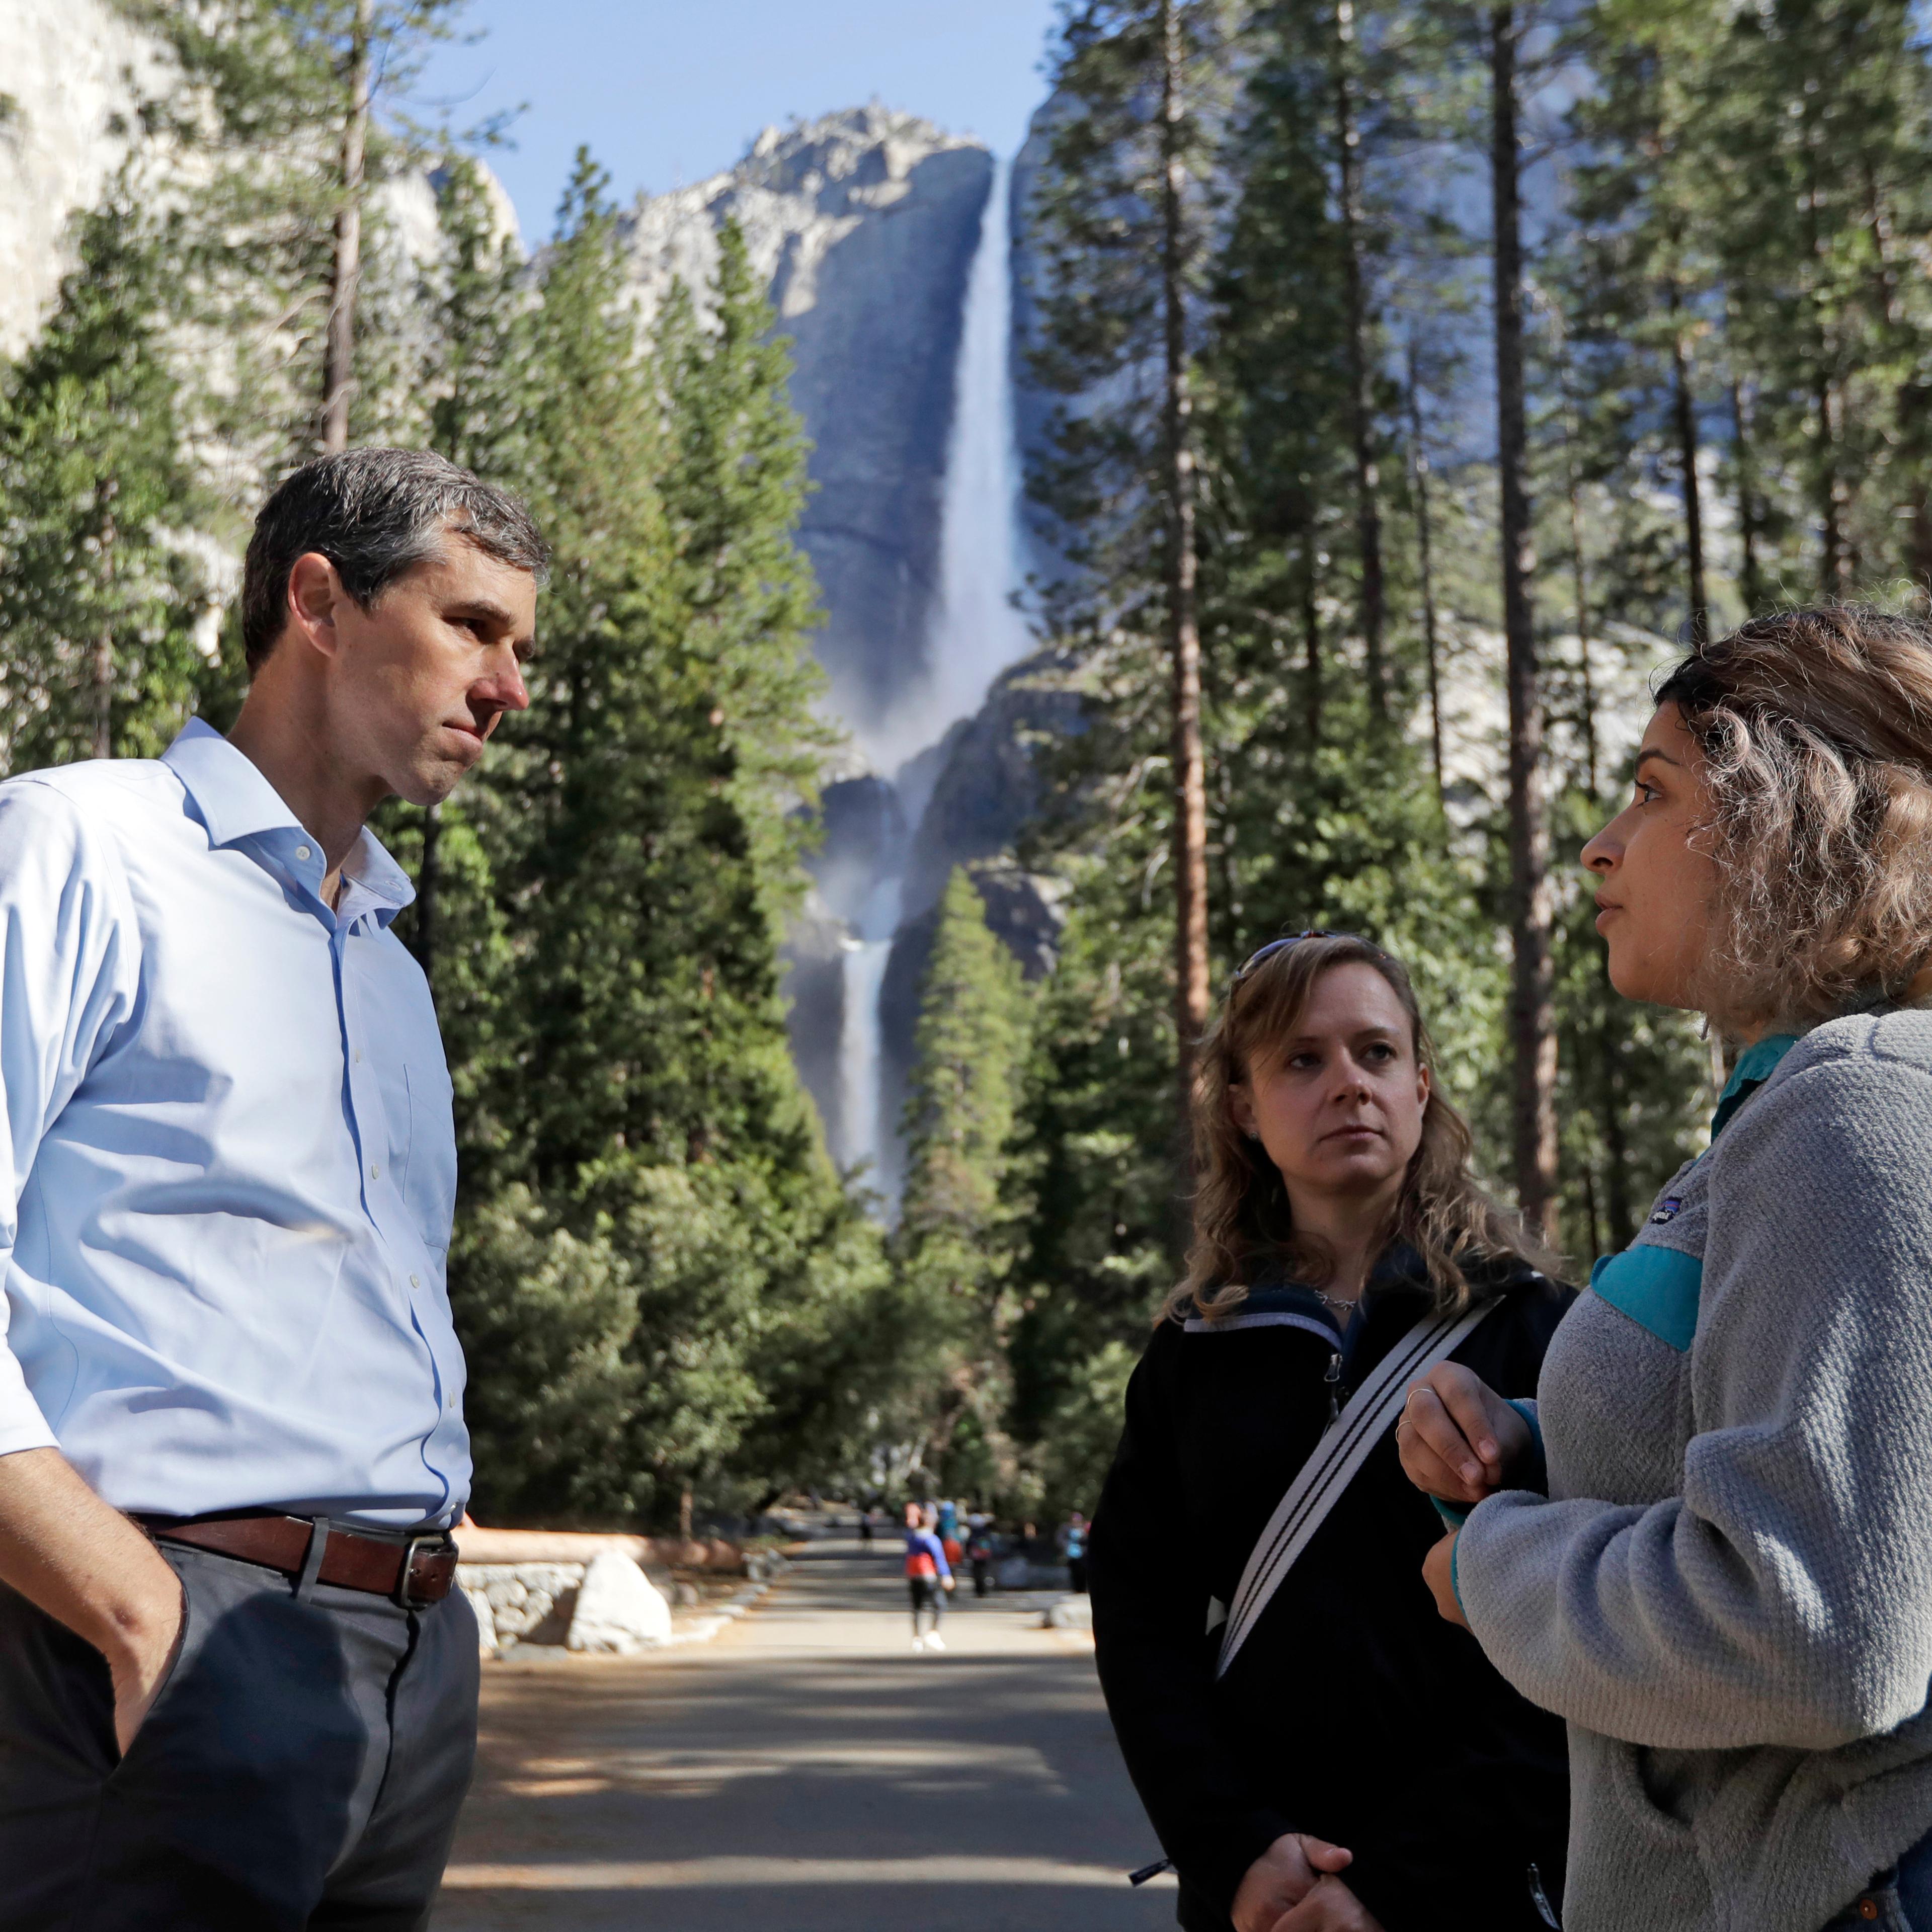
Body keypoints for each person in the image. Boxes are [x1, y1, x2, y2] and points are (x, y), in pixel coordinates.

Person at [0, 448, 545, 1930]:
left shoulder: (388, 965)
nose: (509, 683)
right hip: (172, 1627)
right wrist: (137, 1612)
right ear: (318, 598)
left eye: (521, 648)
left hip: (409, 1664)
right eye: (473, 626)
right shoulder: (78, 846)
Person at [1399, 606, 1932, 1932]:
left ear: (1785, 821)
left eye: (1653, 791)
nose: (1600, 844)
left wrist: (1495, 1567)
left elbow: (1817, 1629)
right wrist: (1535, 1450)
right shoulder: (1796, 1108)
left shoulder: (1853, 1109)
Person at [1091, 932, 1573, 1932]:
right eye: (1303, 1061)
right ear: (1242, 1109)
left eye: (1377, 1052)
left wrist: (1392, 1886)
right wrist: (1230, 1847)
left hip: (1485, 1891)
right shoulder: (1194, 1353)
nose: (1348, 1084)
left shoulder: (1543, 1330)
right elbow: (1142, 1624)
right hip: (1263, 1900)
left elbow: (1579, 1633)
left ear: (1422, 1087)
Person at [903, 1502, 953, 1652]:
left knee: (917, 1607)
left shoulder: (912, 1537)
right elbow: (939, 1559)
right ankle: (933, 1633)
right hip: (929, 1576)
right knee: (940, 1604)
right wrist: (946, 1576)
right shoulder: (932, 1539)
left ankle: (916, 1638)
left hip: (913, 1575)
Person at [1059, 1510, 1090, 1594]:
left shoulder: (1085, 1528)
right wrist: (1067, 1546)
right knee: (1074, 1572)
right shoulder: (1066, 1528)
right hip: (1071, 1555)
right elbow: (1061, 1539)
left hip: (1084, 1555)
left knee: (1083, 1572)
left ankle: (1083, 1589)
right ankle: (1076, 1589)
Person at [967, 1520, 996, 1597]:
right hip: (985, 1556)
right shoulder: (987, 1534)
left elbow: (969, 1544)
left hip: (976, 1557)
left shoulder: (973, 1534)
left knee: (977, 1574)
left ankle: (979, 1590)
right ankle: (983, 1590)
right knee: (984, 1573)